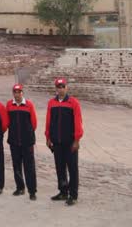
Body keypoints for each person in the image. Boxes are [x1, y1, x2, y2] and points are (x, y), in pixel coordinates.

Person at [45, 77, 84, 206]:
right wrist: (48, 137)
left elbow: (78, 122)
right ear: (56, 89)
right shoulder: (52, 103)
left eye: (63, 87)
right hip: (57, 142)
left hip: (70, 142)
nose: (60, 89)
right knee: (60, 168)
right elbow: (49, 121)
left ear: (66, 88)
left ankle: (73, 194)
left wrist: (77, 140)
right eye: (58, 87)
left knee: (72, 169)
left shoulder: (73, 103)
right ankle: (63, 192)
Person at [6, 83, 38, 200]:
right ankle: (20, 187)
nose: (17, 94)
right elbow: (7, 121)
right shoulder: (9, 105)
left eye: (19, 92)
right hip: (14, 141)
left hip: (27, 141)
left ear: (22, 93)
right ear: (13, 93)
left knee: (29, 167)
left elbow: (34, 123)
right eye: (15, 92)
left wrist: (27, 135)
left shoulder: (29, 105)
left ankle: (32, 190)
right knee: (16, 165)